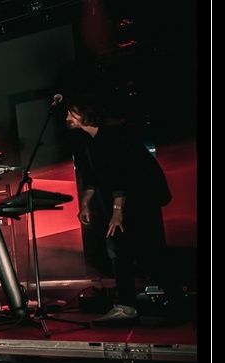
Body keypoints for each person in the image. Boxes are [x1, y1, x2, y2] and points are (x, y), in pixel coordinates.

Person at [65, 94, 177, 324]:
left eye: (71, 113)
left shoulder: (112, 136)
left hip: (141, 199)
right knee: (123, 249)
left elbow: (121, 176)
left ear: (85, 114)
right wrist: (85, 204)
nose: (67, 117)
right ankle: (130, 305)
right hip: (128, 201)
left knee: (137, 250)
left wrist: (117, 212)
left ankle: (163, 300)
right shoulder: (90, 141)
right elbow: (92, 177)